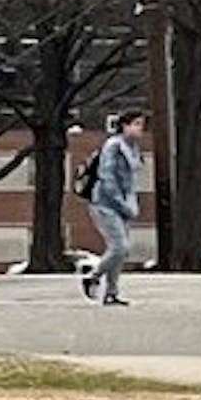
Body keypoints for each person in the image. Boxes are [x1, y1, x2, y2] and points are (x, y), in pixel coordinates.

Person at [82, 110, 145, 305]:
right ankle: (93, 275)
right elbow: (107, 177)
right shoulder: (114, 146)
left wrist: (131, 204)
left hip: (123, 204)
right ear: (124, 125)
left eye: (141, 125)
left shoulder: (133, 148)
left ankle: (112, 291)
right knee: (120, 246)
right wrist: (122, 204)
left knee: (121, 250)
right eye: (135, 124)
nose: (139, 129)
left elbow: (132, 179)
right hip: (105, 203)